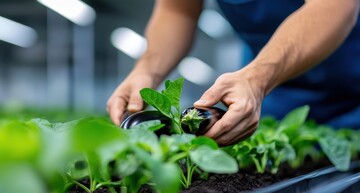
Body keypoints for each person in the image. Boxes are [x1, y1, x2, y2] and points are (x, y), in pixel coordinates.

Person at [107, 0, 360, 146]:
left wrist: (257, 78)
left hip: (348, 83)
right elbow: (177, 11)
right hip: (275, 93)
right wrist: (146, 71)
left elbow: (335, 5)